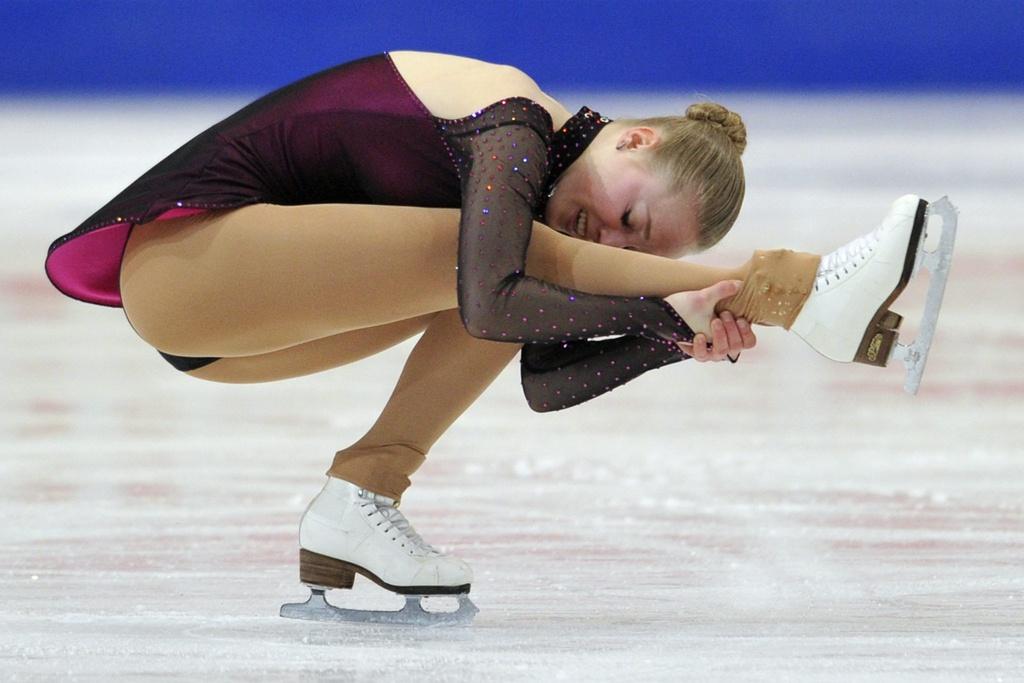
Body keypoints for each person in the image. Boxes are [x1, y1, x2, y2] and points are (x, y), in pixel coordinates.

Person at [43, 51, 931, 624]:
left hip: (238, 329)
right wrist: (676, 303)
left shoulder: (534, 193)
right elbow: (498, 298)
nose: (609, 240)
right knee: (500, 263)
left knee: (506, 267)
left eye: (636, 247)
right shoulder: (513, 122)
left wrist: (667, 338)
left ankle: (360, 496)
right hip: (183, 270)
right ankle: (800, 290)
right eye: (629, 215)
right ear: (631, 138)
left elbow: (539, 372)